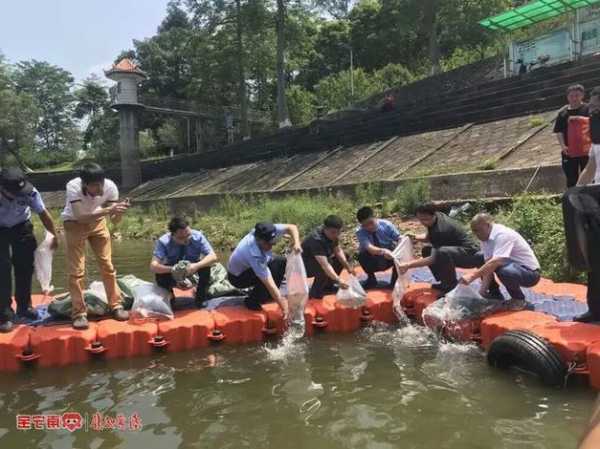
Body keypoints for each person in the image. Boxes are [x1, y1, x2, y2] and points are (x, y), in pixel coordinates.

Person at [61, 163, 130, 330]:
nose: (99, 189)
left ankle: (116, 305)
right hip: (74, 223)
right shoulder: (73, 186)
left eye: (101, 183)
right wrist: (108, 210)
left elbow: (114, 221)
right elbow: (81, 216)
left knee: (107, 264)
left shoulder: (110, 187)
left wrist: (118, 212)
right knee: (77, 270)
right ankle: (79, 313)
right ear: (85, 184)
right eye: (94, 186)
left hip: (98, 222)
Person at [0, 167, 58, 333]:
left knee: (25, 267)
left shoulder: (29, 192)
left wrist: (55, 235)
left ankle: (24, 307)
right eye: (15, 192)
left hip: (21, 226)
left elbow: (43, 213)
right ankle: (4, 314)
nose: (21, 194)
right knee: (2, 269)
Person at [395, 203, 500, 295]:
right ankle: (444, 283)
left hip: (471, 254)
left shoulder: (441, 230)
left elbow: (433, 258)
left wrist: (408, 265)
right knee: (427, 250)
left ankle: (450, 286)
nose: (423, 222)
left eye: (425, 219)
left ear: (433, 215)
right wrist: (414, 236)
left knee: (441, 253)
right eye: (420, 219)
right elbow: (428, 237)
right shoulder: (436, 218)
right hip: (458, 250)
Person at [227, 222, 301, 319]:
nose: (270, 246)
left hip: (253, 265)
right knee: (269, 276)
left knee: (281, 262)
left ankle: (268, 295)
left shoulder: (267, 230)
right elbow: (268, 282)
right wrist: (284, 307)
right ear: (258, 239)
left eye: (272, 242)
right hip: (238, 277)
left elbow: (292, 227)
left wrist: (297, 243)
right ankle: (252, 301)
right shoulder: (253, 253)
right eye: (267, 243)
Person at [461, 213, 541, 300]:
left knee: (504, 270)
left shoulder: (503, 235)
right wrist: (481, 293)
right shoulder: (485, 238)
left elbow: (496, 261)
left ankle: (518, 299)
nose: (476, 235)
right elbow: (488, 267)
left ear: (487, 225)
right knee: (480, 257)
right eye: (474, 232)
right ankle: (495, 294)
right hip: (513, 267)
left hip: (530, 274)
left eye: (478, 230)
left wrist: (472, 276)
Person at [150, 217, 218, 307]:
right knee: (160, 275)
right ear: (172, 235)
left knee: (205, 267)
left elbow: (213, 256)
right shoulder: (163, 241)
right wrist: (173, 270)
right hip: (173, 268)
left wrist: (196, 266)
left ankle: (200, 298)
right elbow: (153, 266)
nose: (187, 239)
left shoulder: (198, 236)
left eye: (188, 235)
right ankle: (170, 297)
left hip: (192, 267)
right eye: (181, 237)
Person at [302, 215, 354, 299]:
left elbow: (338, 251)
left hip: (320, 261)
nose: (336, 235)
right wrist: (339, 280)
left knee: (345, 255)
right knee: (326, 264)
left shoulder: (333, 234)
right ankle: (315, 292)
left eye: (338, 232)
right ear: (325, 228)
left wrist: (348, 267)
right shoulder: (316, 239)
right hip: (304, 267)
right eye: (333, 232)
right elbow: (325, 265)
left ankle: (328, 284)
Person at [355, 206, 401, 289]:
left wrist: (395, 252)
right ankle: (371, 279)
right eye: (365, 225)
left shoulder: (387, 225)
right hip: (373, 258)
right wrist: (383, 251)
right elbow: (369, 248)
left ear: (375, 217)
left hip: (390, 257)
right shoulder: (360, 231)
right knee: (361, 255)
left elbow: (400, 239)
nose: (369, 227)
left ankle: (394, 282)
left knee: (400, 253)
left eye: (371, 222)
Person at [554, 84, 590, 188]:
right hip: (569, 151)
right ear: (567, 97)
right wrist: (563, 146)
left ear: (582, 95)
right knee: (571, 179)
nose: (574, 98)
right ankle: (572, 201)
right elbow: (559, 131)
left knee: (588, 178)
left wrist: (580, 119)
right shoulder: (562, 113)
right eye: (571, 96)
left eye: (577, 95)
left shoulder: (589, 109)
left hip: (587, 150)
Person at [578, 86, 600, 187]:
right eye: (590, 106)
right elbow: (590, 169)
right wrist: (576, 192)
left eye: (595, 106)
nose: (591, 111)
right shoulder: (596, 137)